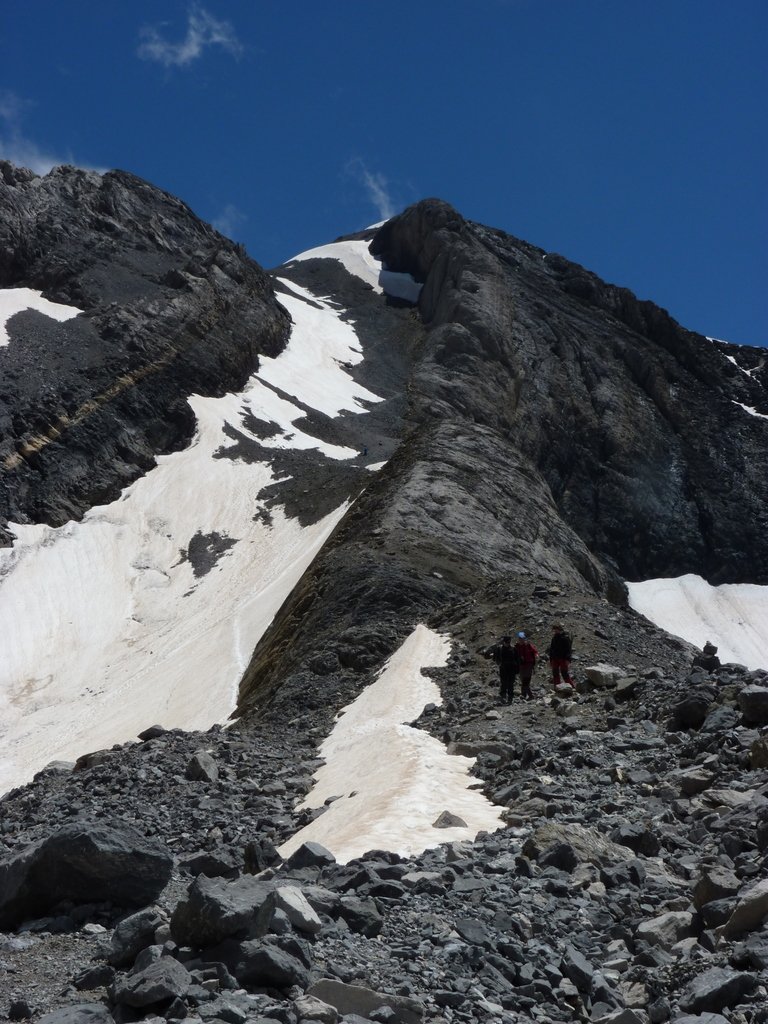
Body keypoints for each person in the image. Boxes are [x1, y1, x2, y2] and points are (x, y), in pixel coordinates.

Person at [483, 636, 520, 704]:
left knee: (511, 683)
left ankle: (510, 698)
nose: (507, 644)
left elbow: (517, 659)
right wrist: (498, 663)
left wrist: (517, 669)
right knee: (504, 683)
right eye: (506, 642)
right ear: (504, 642)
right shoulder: (499, 649)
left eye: (508, 642)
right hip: (503, 668)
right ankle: (503, 697)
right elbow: (494, 658)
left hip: (512, 668)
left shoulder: (513, 649)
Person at [548, 624, 574, 688]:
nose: (555, 631)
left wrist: (568, 659)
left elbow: (568, 650)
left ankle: (572, 687)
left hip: (563, 658)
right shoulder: (554, 638)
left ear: (559, 629)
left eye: (556, 630)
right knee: (555, 673)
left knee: (564, 673)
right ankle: (557, 687)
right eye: (554, 630)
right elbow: (551, 649)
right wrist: (551, 660)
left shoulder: (565, 638)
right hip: (555, 658)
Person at [514, 631, 538, 700]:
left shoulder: (528, 645)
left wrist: (536, 656)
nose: (521, 640)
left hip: (529, 664)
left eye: (522, 638)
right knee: (522, 680)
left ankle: (529, 695)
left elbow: (535, 651)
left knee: (526, 680)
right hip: (521, 665)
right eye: (520, 638)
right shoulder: (517, 647)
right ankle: (524, 695)